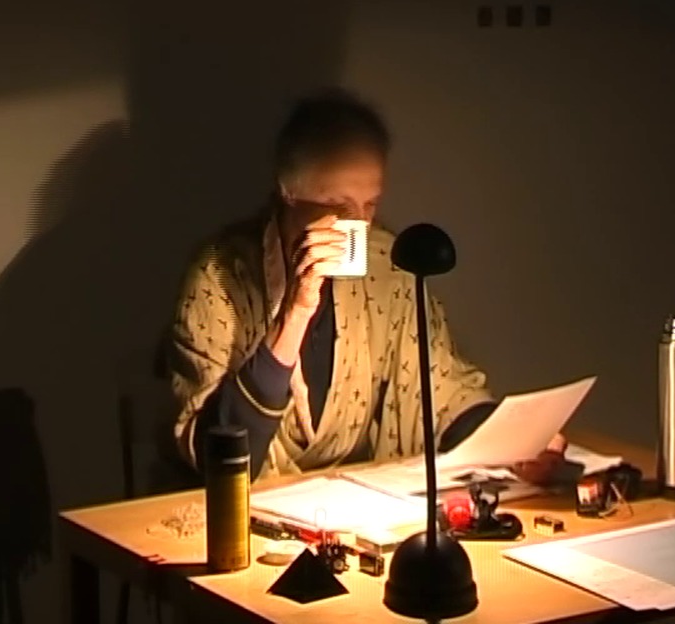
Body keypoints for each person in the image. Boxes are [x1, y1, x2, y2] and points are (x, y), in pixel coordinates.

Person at [165, 88, 566, 482]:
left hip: (353, 502)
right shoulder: (221, 275)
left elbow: (441, 390)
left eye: (369, 204)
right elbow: (218, 451)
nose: (358, 223)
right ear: (288, 192)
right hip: (241, 504)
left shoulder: (387, 265)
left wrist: (517, 442)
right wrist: (295, 313)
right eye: (338, 206)